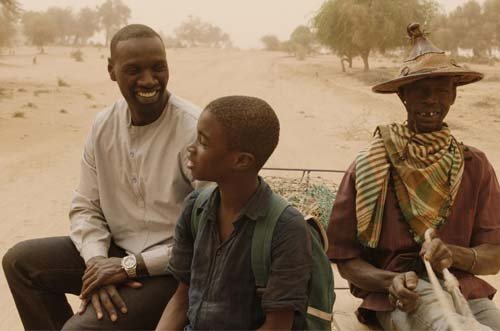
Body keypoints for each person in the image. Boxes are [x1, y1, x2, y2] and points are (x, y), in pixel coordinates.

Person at [3, 24, 201, 330]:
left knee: (79, 329)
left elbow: (210, 233)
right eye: (134, 69)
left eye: (158, 67)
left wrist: (128, 267)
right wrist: (97, 263)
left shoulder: (193, 130)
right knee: (21, 262)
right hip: (115, 253)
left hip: (172, 270)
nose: (149, 80)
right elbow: (85, 207)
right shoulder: (103, 126)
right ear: (112, 70)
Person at [327, 23, 500, 330]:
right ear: (403, 96)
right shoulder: (370, 164)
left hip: (464, 289)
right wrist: (390, 280)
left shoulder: (475, 164)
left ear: (454, 96)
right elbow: (347, 260)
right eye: (420, 89)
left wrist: (455, 255)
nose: (430, 99)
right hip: (400, 297)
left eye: (441, 90)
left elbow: (494, 256)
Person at [156, 96, 312, 330]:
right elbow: (181, 299)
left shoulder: (287, 229)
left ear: (241, 160)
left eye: (203, 142)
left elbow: (277, 326)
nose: (191, 149)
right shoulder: (195, 208)